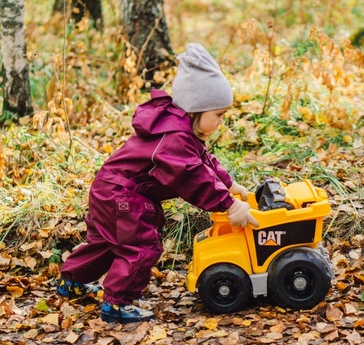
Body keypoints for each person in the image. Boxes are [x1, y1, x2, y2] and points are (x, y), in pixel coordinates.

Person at [56, 43, 259, 324]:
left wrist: (228, 184)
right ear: (197, 109)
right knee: (140, 246)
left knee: (106, 243)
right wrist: (229, 205)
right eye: (219, 115)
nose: (221, 122)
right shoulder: (174, 138)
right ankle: (117, 304)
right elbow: (191, 175)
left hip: (110, 190)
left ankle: (71, 281)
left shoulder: (179, 130)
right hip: (121, 195)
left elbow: (203, 161)